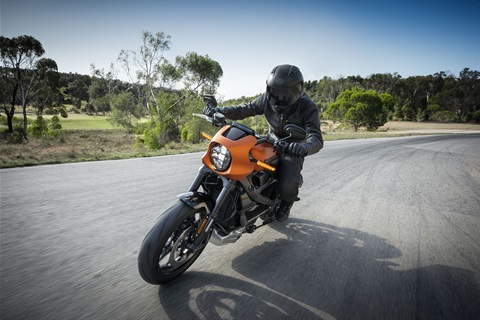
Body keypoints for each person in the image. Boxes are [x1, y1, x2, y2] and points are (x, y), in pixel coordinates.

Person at [203, 64, 323, 222]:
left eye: (283, 94)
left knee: (287, 185)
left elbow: (316, 138)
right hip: (271, 139)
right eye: (273, 92)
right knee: (241, 160)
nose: (277, 98)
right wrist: (219, 111)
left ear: (296, 91)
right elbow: (244, 109)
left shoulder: (308, 107)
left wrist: (301, 147)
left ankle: (286, 202)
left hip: (292, 146)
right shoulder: (268, 98)